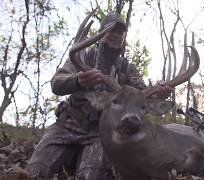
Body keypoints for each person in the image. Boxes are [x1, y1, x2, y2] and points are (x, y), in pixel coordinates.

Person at [26, 12, 172, 180]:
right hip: (67, 126)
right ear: (101, 33)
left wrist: (161, 93)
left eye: (120, 33)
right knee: (34, 172)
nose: (116, 35)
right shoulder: (82, 56)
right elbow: (56, 84)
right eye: (111, 31)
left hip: (100, 134)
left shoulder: (127, 69)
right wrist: (77, 81)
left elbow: (142, 98)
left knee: (92, 175)